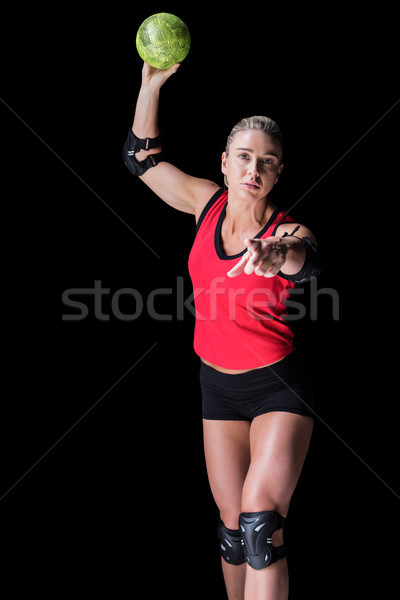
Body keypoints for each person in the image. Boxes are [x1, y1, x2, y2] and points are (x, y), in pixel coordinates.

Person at [123, 62, 322, 600]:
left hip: (277, 387)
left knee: (262, 527)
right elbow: (140, 160)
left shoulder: (287, 230)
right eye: (244, 157)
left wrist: (275, 252)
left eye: (268, 162)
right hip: (218, 388)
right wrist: (150, 87)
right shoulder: (203, 202)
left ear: (277, 175)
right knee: (233, 533)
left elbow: (304, 261)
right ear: (225, 163)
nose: (254, 168)